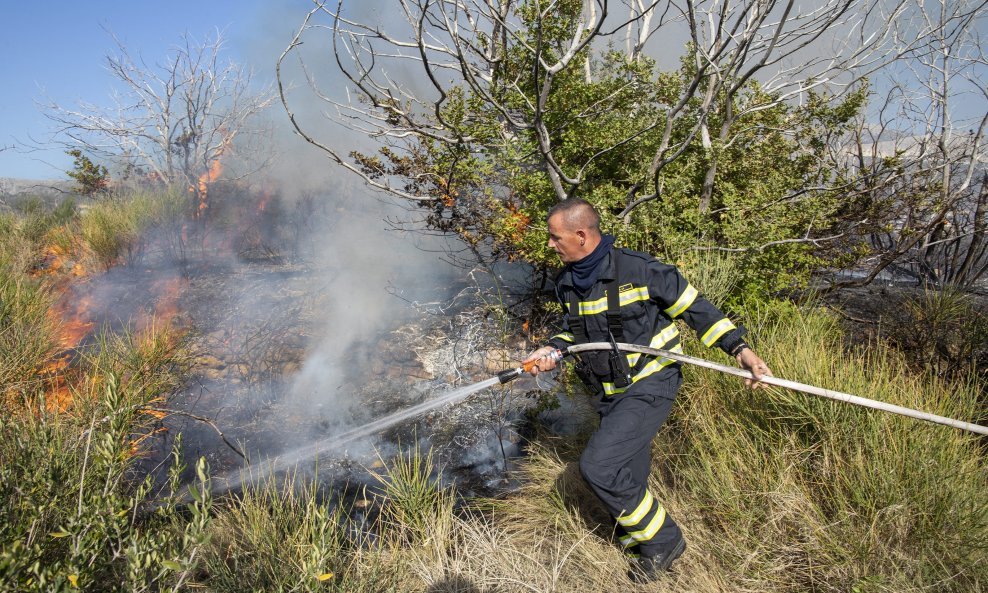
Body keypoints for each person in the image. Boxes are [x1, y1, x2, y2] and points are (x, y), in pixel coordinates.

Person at [524, 198, 772, 582]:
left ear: (581, 235)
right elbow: (575, 333)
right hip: (607, 391)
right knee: (625, 470)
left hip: (651, 381)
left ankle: (663, 540)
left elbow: (697, 310)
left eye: (556, 238)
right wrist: (552, 349)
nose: (551, 245)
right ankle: (636, 541)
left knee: (598, 466)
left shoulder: (640, 269)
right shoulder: (567, 282)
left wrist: (741, 351)